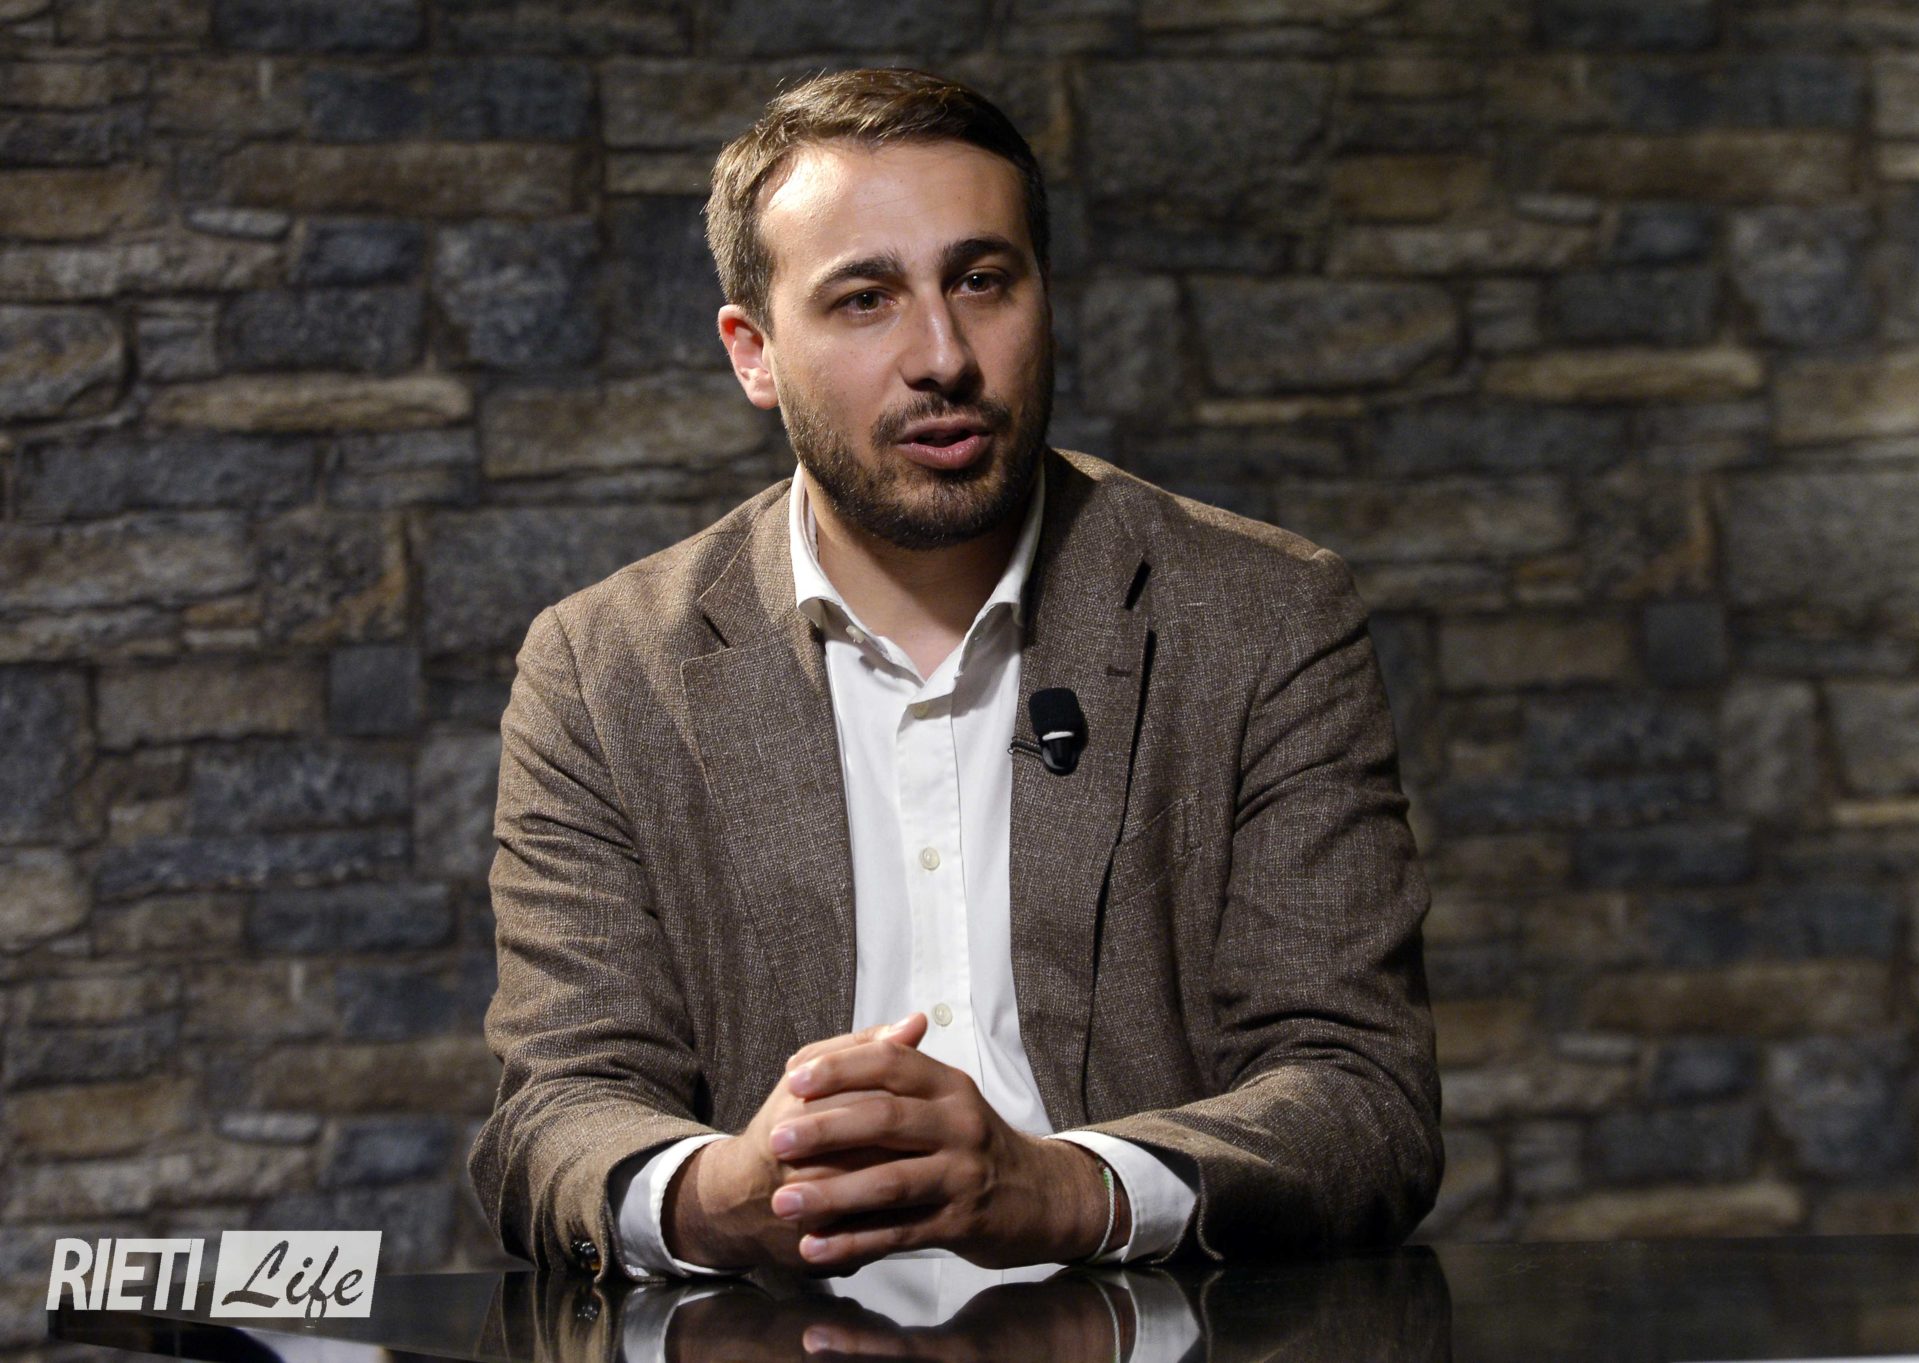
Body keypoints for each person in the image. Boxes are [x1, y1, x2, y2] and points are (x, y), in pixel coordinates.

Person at [469, 66, 1440, 1282]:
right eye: (863, 299)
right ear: (753, 353)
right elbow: (553, 1112)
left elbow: (1362, 1097)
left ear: (1044, 297)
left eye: (981, 281)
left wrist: (1065, 1190)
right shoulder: (603, 668)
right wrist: (721, 1196)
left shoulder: (1262, 617)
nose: (941, 355)